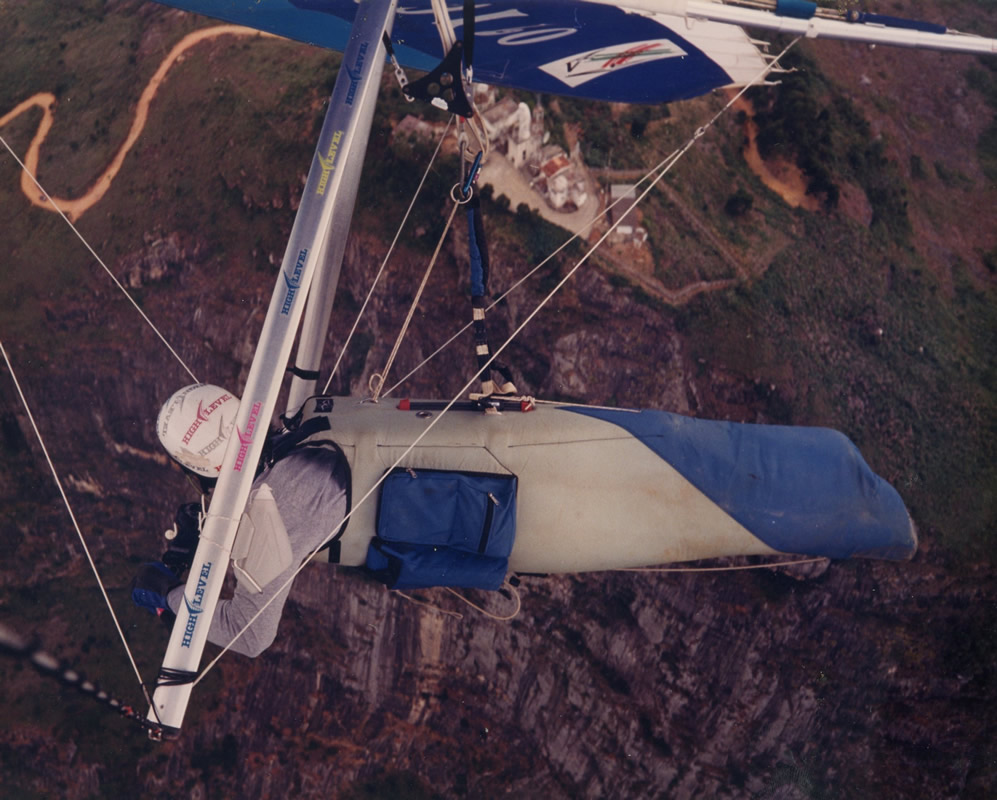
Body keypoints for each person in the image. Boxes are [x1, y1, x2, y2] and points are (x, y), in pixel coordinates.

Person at [131, 384, 348, 657]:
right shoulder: (295, 438)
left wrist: (166, 593)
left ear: (198, 474)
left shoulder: (269, 511)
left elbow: (249, 636)